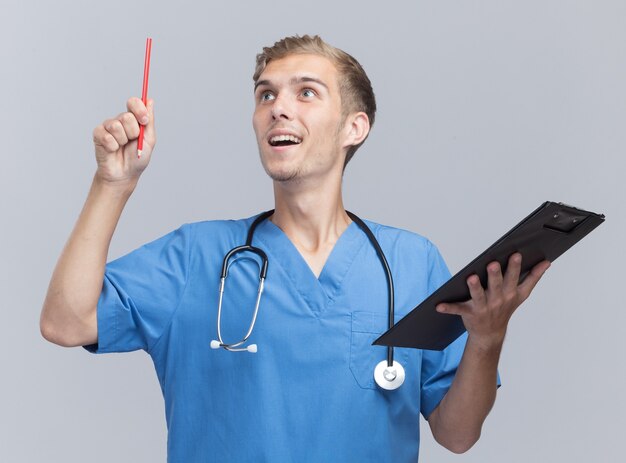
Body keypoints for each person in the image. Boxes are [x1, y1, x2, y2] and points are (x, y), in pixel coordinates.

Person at [40, 35, 550, 462]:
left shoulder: (410, 263)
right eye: (266, 96)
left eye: (306, 93)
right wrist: (113, 184)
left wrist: (486, 339)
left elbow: (457, 434)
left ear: (356, 127)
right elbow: (65, 322)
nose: (278, 107)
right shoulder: (196, 257)